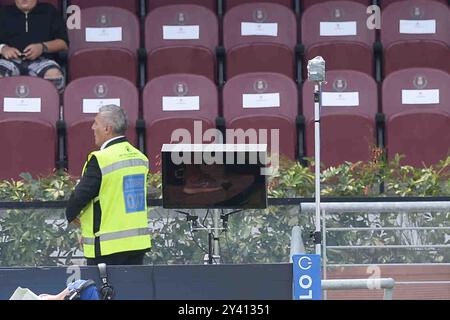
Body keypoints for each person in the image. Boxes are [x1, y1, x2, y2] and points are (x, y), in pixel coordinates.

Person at [66, 105, 151, 265]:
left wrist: (71, 215)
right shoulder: (140, 157)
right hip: (137, 244)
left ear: (107, 128)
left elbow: (80, 196)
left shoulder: (101, 158)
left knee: (103, 290)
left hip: (107, 247)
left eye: (96, 123)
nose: (92, 127)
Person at [0, 0, 68, 92]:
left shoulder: (49, 11)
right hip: (9, 61)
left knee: (54, 75)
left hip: (42, 60)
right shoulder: (3, 13)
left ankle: (49, 106)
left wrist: (42, 47)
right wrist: (3, 48)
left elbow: (63, 43)